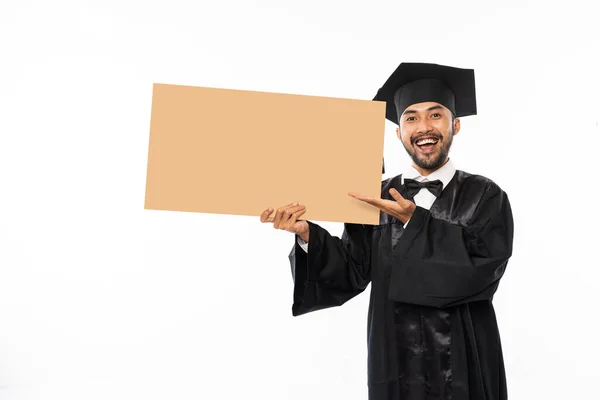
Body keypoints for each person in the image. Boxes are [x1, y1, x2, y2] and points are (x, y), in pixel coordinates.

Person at [260, 62, 514, 400]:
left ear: (455, 125)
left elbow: (485, 270)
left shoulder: (486, 195)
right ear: (398, 132)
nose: (424, 127)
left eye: (435, 115)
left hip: (464, 360)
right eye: (410, 118)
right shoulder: (374, 195)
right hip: (394, 360)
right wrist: (308, 234)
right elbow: (352, 270)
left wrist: (415, 222)